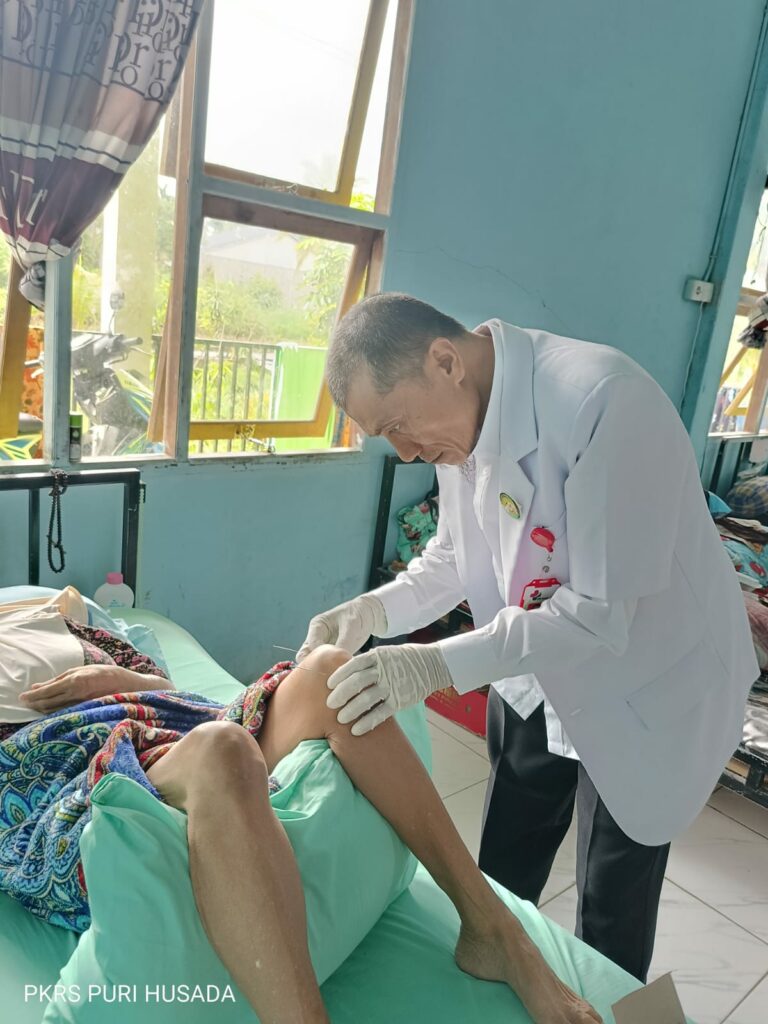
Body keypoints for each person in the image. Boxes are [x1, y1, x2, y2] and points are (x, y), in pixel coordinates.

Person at [300, 291, 760, 983]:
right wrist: (371, 611)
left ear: (445, 360)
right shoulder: (456, 421)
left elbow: (598, 617)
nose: (406, 452)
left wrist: (432, 665)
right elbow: (455, 557)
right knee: (506, 861)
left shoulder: (605, 403)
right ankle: (500, 961)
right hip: (533, 670)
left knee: (612, 900)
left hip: (643, 682)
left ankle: (602, 1003)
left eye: (397, 427)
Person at [0, 602, 602, 1024]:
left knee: (331, 673)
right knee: (222, 749)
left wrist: (117, 676)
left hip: (159, 720)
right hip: (62, 777)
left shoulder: (63, 621)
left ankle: (493, 929)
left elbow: (162, 683)